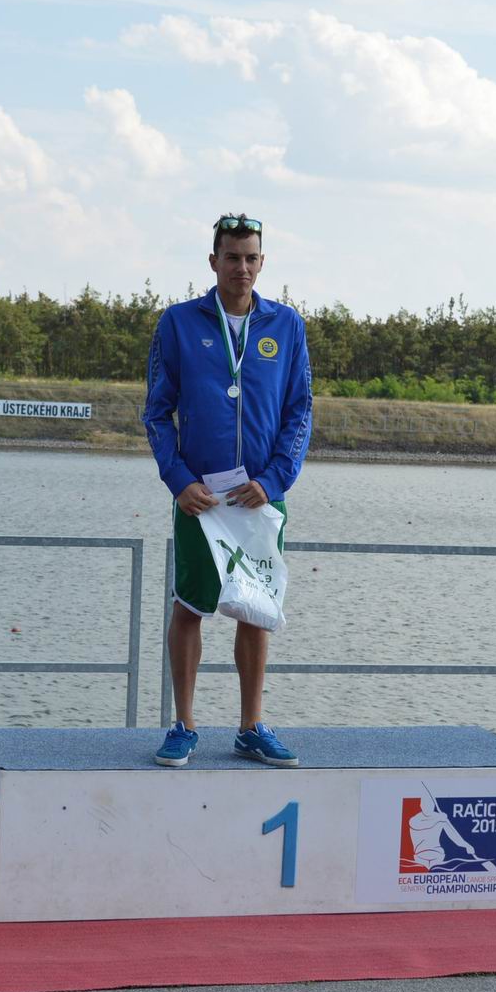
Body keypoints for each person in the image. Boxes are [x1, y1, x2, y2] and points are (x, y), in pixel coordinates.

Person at [143, 212, 313, 768]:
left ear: (263, 263)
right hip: (202, 497)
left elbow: (300, 411)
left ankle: (251, 726)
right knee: (189, 605)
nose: (242, 267)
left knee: (256, 610)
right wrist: (179, 480)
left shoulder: (286, 325)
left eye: (251, 258)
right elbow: (156, 412)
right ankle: (184, 724)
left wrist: (274, 479)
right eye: (232, 257)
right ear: (213, 261)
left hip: (259, 496)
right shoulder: (178, 323)